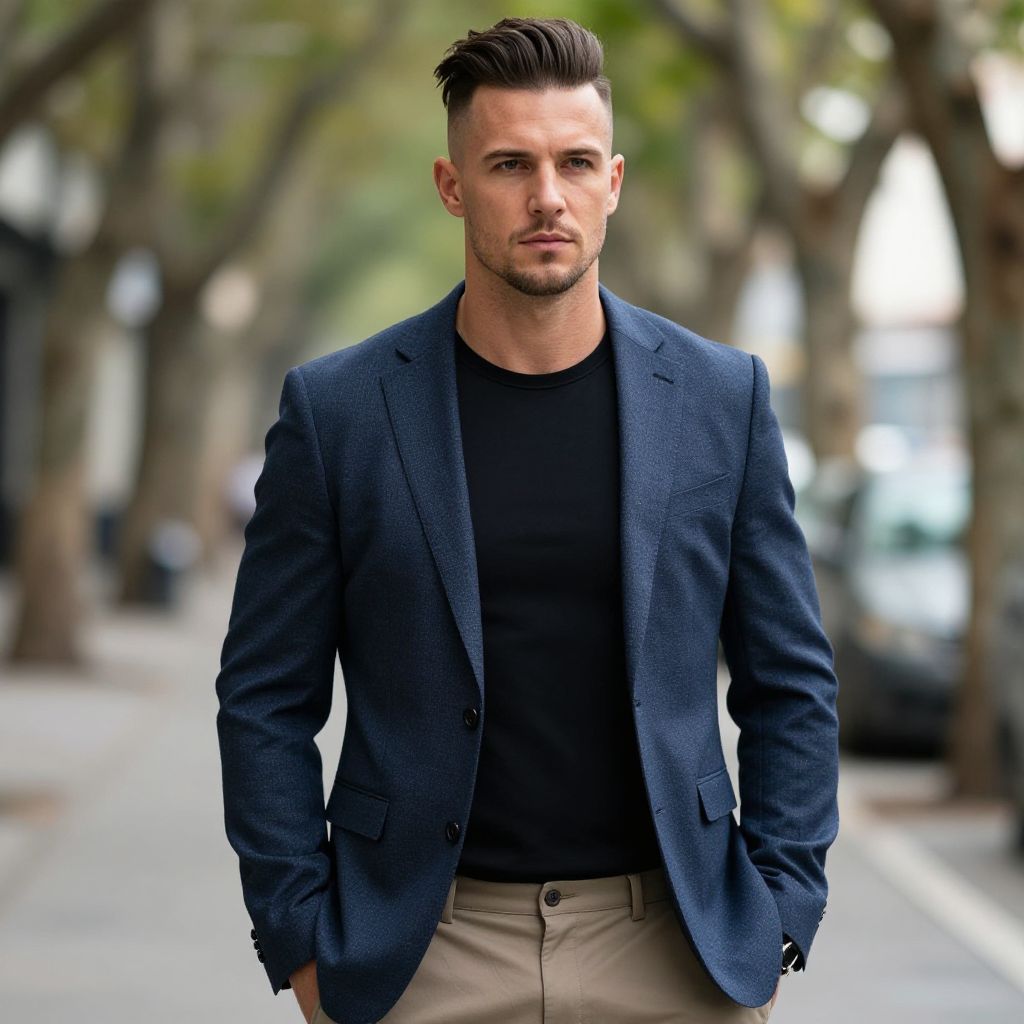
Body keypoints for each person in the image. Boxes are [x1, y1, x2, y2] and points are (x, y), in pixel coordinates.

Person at [215, 16, 839, 1024]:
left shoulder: (723, 400)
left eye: (574, 162)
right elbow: (262, 697)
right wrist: (300, 938)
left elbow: (791, 681)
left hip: (675, 946)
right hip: (420, 951)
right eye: (509, 164)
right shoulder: (340, 413)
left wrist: (779, 909)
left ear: (614, 181)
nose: (546, 196)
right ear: (452, 185)